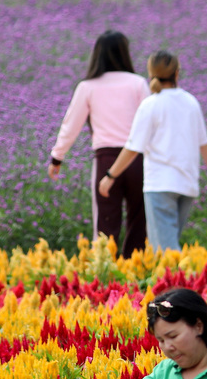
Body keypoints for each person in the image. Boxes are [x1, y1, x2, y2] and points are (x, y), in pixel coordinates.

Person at [100, 51, 207, 252]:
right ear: (177, 73)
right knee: (170, 241)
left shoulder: (151, 105)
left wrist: (110, 175)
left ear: (150, 74)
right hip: (187, 184)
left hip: (160, 184)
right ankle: (179, 281)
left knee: (166, 250)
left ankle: (182, 282)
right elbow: (204, 143)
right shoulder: (191, 102)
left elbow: (133, 148)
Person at [50, 31, 152, 256]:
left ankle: (106, 277)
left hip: (105, 160)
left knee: (106, 224)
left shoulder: (87, 87)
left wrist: (57, 156)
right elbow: (150, 121)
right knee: (139, 219)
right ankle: (136, 270)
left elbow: (71, 124)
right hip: (137, 160)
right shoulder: (138, 83)